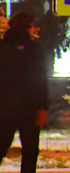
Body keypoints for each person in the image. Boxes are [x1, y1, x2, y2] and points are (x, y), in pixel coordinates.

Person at [0, 12, 49, 173]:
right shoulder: (34, 50)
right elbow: (41, 81)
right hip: (29, 110)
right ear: (28, 27)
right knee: (30, 151)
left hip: (4, 109)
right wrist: (43, 108)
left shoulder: (2, 47)